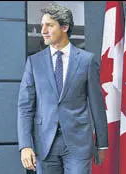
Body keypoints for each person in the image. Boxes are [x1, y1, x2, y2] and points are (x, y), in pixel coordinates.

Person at [17, 3, 108, 174]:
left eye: (49, 25)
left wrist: (102, 144)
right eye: (42, 25)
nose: (43, 30)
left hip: (78, 144)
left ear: (64, 27)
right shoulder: (34, 62)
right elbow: (25, 107)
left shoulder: (87, 61)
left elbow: (97, 105)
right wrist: (25, 145)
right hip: (44, 144)